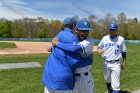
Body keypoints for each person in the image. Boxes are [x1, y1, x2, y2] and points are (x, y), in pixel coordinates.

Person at [52, 19, 94, 93]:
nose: (85, 33)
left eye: (87, 31)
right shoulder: (71, 39)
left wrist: (58, 44)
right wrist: (53, 47)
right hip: (73, 77)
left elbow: (74, 48)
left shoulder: (89, 41)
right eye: (83, 30)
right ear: (76, 30)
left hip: (86, 78)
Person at [42, 17, 80, 93]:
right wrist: (87, 60)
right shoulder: (73, 37)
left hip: (48, 74)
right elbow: (73, 62)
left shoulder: (58, 34)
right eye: (75, 25)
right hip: (62, 79)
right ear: (73, 25)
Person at [97, 22, 127, 93]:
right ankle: (109, 90)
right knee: (107, 79)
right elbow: (99, 47)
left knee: (116, 84)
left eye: (113, 29)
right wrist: (99, 50)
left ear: (117, 30)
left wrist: (124, 62)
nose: (111, 31)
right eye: (110, 29)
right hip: (106, 62)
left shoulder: (121, 39)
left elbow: (124, 52)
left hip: (116, 63)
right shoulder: (105, 38)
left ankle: (114, 90)